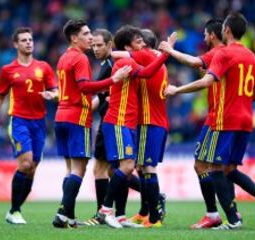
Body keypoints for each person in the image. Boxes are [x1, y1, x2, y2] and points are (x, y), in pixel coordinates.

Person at [165, 12, 255, 230]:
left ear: (225, 30)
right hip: (246, 119)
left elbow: (207, 82)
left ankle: (231, 219)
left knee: (214, 167)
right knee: (228, 169)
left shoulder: (224, 54)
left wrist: (176, 90)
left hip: (225, 119)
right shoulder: (252, 56)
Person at [159, 19, 241, 229]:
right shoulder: (228, 54)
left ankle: (214, 214)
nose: (204, 38)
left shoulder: (219, 52)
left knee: (202, 165)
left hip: (217, 118)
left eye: (205, 34)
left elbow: (194, 62)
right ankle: (232, 211)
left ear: (212, 35)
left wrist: (169, 51)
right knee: (219, 167)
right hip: (220, 116)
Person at [51, 20, 131, 228]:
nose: (90, 37)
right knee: (79, 169)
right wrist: (114, 80)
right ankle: (62, 214)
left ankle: (68, 215)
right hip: (77, 117)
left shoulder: (62, 58)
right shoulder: (80, 59)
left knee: (70, 170)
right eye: (86, 34)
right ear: (74, 38)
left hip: (61, 116)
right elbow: (86, 87)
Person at [0, 27, 58, 224]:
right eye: (24, 40)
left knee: (32, 168)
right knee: (25, 163)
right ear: (16, 44)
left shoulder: (44, 67)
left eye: (30, 39)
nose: (28, 43)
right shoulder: (8, 70)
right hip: (19, 120)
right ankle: (15, 211)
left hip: (39, 122)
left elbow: (56, 91)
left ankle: (15, 210)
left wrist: (52, 95)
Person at [97, 25, 171, 229]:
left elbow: (140, 69)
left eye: (140, 41)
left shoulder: (145, 57)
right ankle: (143, 213)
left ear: (144, 47)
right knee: (136, 168)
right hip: (148, 121)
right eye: (136, 41)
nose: (138, 45)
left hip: (147, 121)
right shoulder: (149, 61)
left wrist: (165, 53)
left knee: (141, 168)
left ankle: (150, 216)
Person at [82, 28, 144, 226]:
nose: (95, 48)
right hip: (113, 121)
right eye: (93, 45)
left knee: (108, 169)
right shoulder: (106, 64)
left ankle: (105, 212)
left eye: (99, 45)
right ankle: (118, 214)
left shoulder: (114, 64)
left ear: (110, 45)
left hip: (114, 121)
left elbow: (105, 95)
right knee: (110, 169)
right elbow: (102, 95)